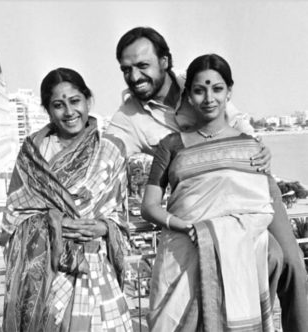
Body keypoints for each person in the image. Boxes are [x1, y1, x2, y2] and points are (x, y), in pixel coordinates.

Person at [107, 27, 308, 332]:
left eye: (142, 66)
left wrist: (259, 149)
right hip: (199, 211)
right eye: (126, 69)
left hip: (248, 189)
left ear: (164, 61)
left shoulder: (200, 78)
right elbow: (106, 157)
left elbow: (240, 128)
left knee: (289, 264)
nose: (134, 77)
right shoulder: (128, 119)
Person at [142, 53, 283, 331]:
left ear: (229, 92)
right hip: (183, 247)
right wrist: (186, 227)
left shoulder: (250, 147)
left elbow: (260, 210)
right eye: (199, 90)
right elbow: (149, 206)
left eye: (217, 89)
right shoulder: (170, 145)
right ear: (189, 96)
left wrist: (219, 234)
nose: (209, 98)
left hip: (238, 253)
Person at [0, 68, 133, 332]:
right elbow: (14, 217)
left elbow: (120, 214)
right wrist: (55, 224)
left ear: (87, 100)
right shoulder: (32, 155)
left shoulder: (111, 149)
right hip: (48, 274)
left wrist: (104, 227)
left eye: (75, 101)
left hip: (94, 266)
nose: (69, 112)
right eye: (58, 105)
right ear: (48, 110)